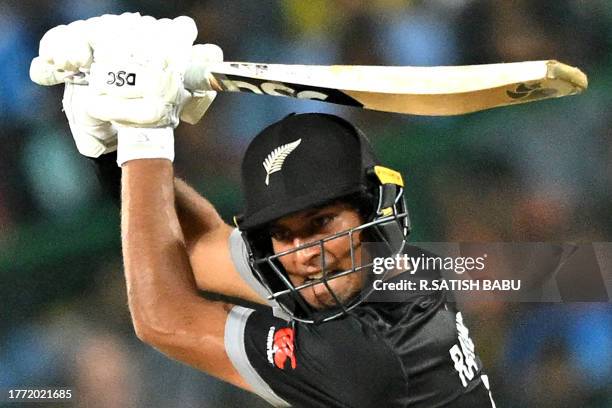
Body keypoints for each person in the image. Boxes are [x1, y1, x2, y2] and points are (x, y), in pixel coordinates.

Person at [34, 13, 496, 407]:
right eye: (282, 234)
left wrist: (145, 134)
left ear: (372, 213)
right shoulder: (394, 266)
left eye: (321, 223)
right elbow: (195, 248)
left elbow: (164, 319)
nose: (303, 254)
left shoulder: (360, 362)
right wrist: (113, 145)